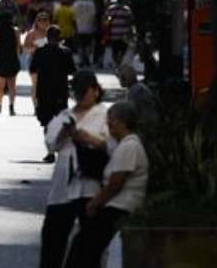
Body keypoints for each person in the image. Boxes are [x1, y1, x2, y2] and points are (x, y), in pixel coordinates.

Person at [39, 71, 110, 268]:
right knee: (52, 240)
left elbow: (111, 146)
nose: (80, 96)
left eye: (84, 91)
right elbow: (50, 144)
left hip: (91, 185)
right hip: (63, 186)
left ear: (95, 91)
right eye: (77, 92)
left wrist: (87, 138)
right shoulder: (65, 116)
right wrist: (65, 133)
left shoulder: (105, 115)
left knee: (89, 244)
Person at [66, 102, 148, 268]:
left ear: (121, 121)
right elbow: (105, 145)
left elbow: (115, 184)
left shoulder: (130, 146)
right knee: (85, 248)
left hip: (119, 208)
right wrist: (84, 137)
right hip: (114, 207)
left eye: (111, 119)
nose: (108, 123)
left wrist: (94, 203)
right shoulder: (122, 144)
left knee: (83, 249)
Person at [31, 26, 77, 163]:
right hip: (60, 92)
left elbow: (33, 68)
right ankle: (61, 149)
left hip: (44, 92)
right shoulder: (66, 52)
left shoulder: (40, 51)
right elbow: (72, 70)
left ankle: (50, 151)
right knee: (61, 121)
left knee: (47, 122)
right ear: (60, 37)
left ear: (47, 37)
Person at [0, 10, 22, 116]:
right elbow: (18, 46)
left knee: (0, 85)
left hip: (1, 58)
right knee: (12, 85)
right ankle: (11, 106)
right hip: (12, 58)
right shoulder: (16, 30)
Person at [104, 0, 134, 68]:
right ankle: (119, 62)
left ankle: (116, 63)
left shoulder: (111, 9)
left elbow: (107, 20)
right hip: (124, 34)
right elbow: (130, 21)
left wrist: (108, 25)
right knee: (123, 49)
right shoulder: (127, 9)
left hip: (114, 33)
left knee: (115, 50)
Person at [72, 0, 98, 67]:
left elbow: (73, 16)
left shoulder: (76, 4)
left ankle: (81, 61)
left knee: (80, 45)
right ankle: (87, 60)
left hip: (79, 28)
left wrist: (74, 27)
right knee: (88, 45)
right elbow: (94, 16)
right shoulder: (91, 4)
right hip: (89, 28)